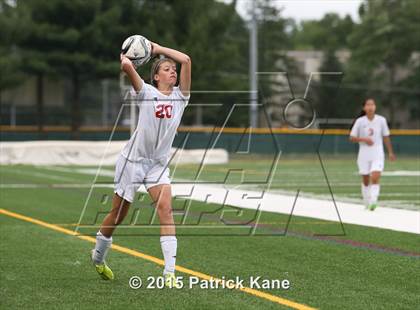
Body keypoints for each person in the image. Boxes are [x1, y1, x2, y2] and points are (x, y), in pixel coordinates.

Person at [91, 40, 191, 287]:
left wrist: (157, 49)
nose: (173, 71)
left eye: (173, 70)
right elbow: (127, 68)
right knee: (118, 214)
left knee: (166, 210)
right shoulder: (146, 92)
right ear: (156, 77)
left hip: (157, 164)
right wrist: (126, 62)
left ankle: (169, 274)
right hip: (132, 162)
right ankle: (98, 257)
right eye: (167, 69)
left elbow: (186, 59)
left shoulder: (181, 97)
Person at [349, 98, 396, 211]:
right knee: (365, 179)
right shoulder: (360, 121)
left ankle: (373, 201)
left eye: (372, 104)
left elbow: (386, 137)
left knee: (375, 176)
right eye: (368, 105)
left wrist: (390, 152)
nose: (370, 107)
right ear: (364, 108)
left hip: (377, 152)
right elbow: (351, 138)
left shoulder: (381, 120)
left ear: (375, 107)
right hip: (364, 153)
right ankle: (366, 201)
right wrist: (364, 139)